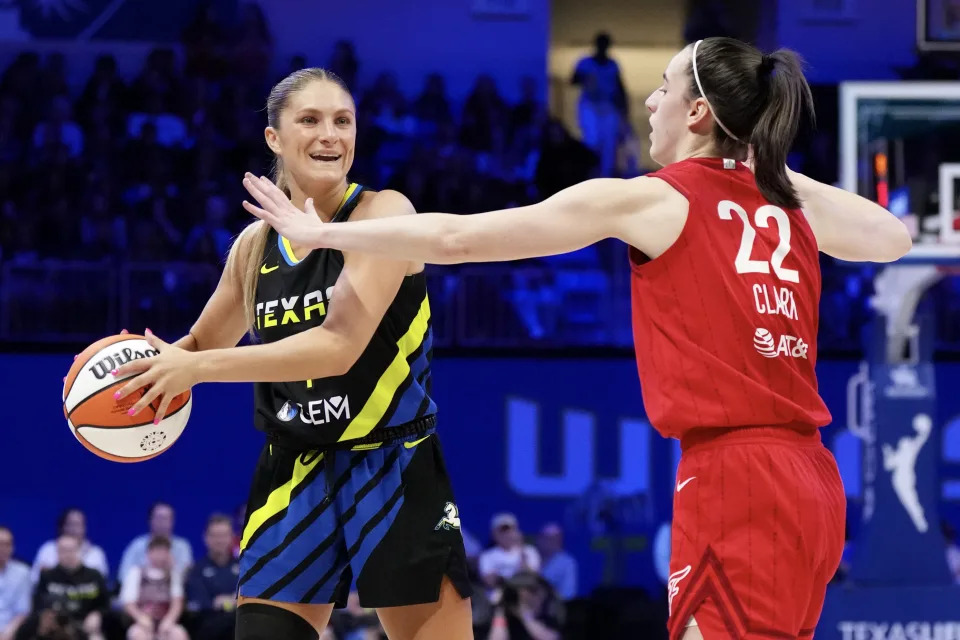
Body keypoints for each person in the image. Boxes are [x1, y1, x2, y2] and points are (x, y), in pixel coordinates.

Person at [240, 38, 913, 640]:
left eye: (665, 87)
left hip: (736, 475)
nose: (650, 102)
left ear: (698, 113)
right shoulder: (784, 200)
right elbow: (891, 237)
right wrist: (754, 157)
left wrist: (328, 235)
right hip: (812, 479)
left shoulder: (655, 198)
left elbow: (459, 238)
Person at [113, 67, 472, 640]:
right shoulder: (254, 246)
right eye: (310, 120)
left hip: (393, 465)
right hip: (294, 470)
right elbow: (202, 343)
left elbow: (338, 347)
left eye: (343, 120)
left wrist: (196, 369)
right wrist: (146, 375)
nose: (331, 134)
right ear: (274, 138)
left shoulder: (384, 216)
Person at [30, 508, 109, 584]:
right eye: (70, 524)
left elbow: (100, 582)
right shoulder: (48, 549)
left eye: (78, 525)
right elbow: (35, 579)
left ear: (84, 528)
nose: (74, 529)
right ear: (62, 527)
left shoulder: (96, 553)